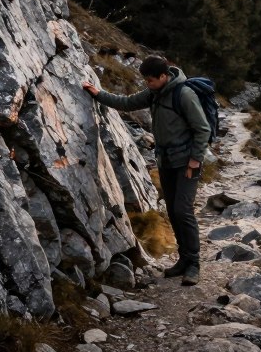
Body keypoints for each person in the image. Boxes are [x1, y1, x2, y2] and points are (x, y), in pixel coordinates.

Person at [82, 55, 210, 285]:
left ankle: (194, 264)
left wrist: (194, 161)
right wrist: (98, 94)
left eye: (151, 80)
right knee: (173, 211)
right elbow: (127, 103)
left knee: (182, 210)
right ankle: (184, 260)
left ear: (163, 76)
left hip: (187, 163)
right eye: (146, 81)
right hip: (166, 162)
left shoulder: (184, 94)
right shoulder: (154, 93)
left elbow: (203, 129)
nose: (147, 84)